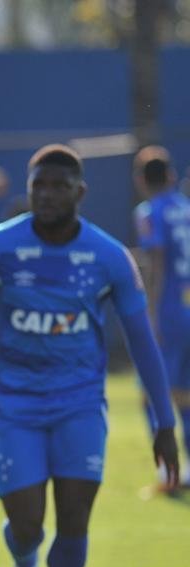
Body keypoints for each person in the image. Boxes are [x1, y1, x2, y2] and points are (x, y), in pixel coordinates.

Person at [0, 144, 180, 567]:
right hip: (18, 406)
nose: (46, 196)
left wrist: (165, 422)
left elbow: (142, 341)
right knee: (27, 526)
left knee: (74, 522)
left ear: (80, 193)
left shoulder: (109, 256)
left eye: (57, 187)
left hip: (80, 407)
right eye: (37, 187)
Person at [132, 145, 190, 491]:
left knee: (151, 390)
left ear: (141, 180)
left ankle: (167, 473)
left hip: (170, 309)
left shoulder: (149, 211)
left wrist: (150, 312)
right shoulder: (187, 207)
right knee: (185, 390)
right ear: (170, 175)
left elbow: (156, 261)